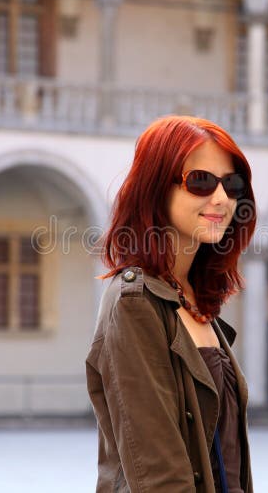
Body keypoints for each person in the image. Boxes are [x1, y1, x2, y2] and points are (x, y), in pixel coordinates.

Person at [86, 115, 257, 492]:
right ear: (155, 189)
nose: (220, 199)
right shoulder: (135, 302)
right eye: (199, 182)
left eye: (232, 185)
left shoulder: (195, 300)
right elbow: (159, 474)